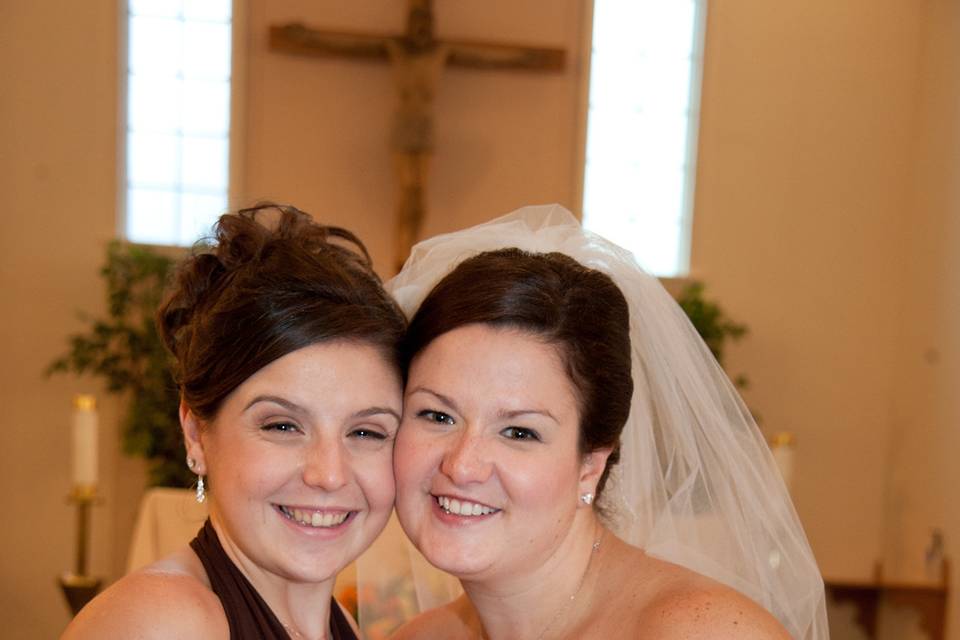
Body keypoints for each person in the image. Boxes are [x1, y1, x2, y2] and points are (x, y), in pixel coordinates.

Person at [378, 205, 827, 639]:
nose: (462, 465)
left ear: (591, 464)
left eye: (519, 432)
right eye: (437, 415)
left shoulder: (702, 631)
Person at [63, 204, 407, 640]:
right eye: (282, 426)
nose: (329, 474)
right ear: (195, 433)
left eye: (365, 432)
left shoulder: (342, 627)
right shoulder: (160, 623)